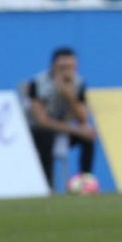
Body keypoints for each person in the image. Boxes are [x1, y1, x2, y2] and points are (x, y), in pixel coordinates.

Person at [22, 47, 98, 192]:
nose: (67, 72)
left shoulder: (79, 83)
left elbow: (83, 117)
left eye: (71, 67)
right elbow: (41, 121)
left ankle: (85, 184)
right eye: (63, 68)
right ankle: (48, 187)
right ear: (53, 67)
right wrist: (75, 129)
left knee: (88, 136)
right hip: (37, 133)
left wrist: (70, 96)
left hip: (63, 129)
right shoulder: (38, 84)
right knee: (45, 137)